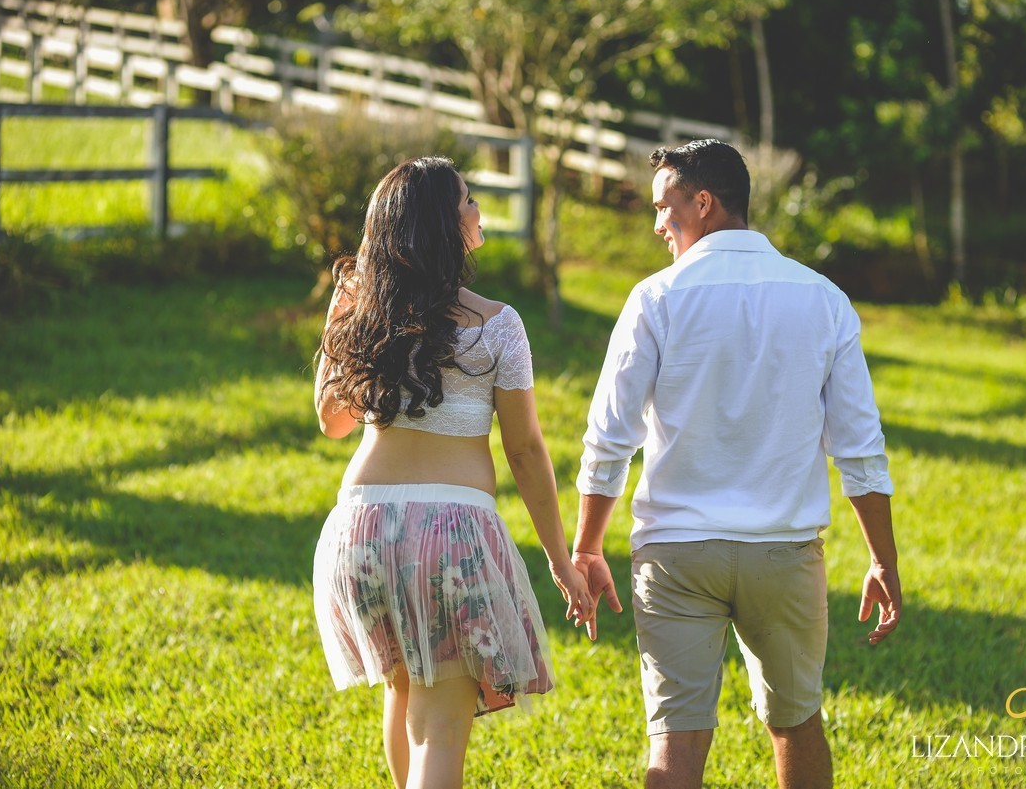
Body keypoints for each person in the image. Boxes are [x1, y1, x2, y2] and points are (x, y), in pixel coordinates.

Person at [571, 139, 901, 789]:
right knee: (798, 723)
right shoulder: (824, 300)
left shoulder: (655, 299)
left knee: (675, 742)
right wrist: (883, 559)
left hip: (675, 555)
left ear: (704, 202)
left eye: (665, 206)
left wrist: (587, 545)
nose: (657, 222)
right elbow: (859, 450)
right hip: (783, 554)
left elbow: (610, 438)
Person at [311, 156, 593, 789]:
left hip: (360, 528)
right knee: (439, 726)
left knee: (405, 695)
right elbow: (524, 452)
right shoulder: (498, 325)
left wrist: (344, 316)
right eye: (467, 200)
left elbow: (331, 420)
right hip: (450, 531)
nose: (476, 210)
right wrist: (558, 558)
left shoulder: (366, 313)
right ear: (443, 223)